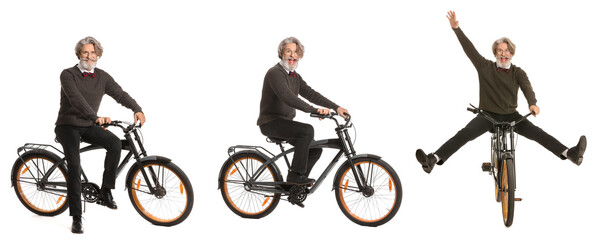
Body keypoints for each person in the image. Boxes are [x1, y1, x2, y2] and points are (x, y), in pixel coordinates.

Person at [416, 11, 586, 173]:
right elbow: (470, 49)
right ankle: (432, 159)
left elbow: (527, 88)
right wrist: (456, 29)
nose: (503, 54)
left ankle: (568, 153)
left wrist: (532, 104)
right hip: (487, 116)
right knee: (465, 134)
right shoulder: (484, 67)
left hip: (511, 115)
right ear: (495, 53)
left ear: (511, 53)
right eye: (500, 51)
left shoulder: (518, 72)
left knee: (537, 133)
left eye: (506, 51)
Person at [54, 36, 146, 233]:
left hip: (88, 124)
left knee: (114, 143)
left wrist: (136, 109)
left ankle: (105, 191)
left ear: (98, 55)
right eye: (86, 52)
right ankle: (77, 216)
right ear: (79, 54)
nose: (90, 56)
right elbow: (76, 99)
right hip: (67, 126)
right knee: (75, 165)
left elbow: (120, 94)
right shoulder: (68, 74)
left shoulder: (102, 76)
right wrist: (95, 117)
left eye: (93, 53)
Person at [257, 37, 349, 185]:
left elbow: (311, 94)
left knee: (315, 149)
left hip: (285, 123)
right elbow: (287, 97)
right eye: (289, 51)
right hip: (270, 123)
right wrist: (314, 110)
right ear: (281, 53)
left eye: (296, 52)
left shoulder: (295, 77)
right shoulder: (275, 73)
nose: (293, 55)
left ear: (299, 56)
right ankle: (295, 177)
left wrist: (336, 107)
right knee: (306, 131)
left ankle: (295, 187)